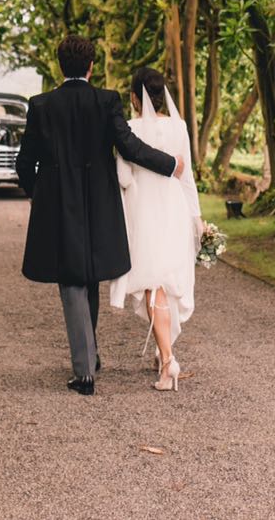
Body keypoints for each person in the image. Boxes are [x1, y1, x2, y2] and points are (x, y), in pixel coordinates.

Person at [16, 35, 184, 396]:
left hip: (59, 204)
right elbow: (130, 146)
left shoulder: (42, 105)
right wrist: (169, 164)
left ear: (61, 66)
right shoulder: (106, 101)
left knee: (74, 280)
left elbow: (24, 162)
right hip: (99, 204)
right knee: (83, 277)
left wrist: (38, 195)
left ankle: (85, 371)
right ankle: (87, 358)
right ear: (91, 67)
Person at [110, 67, 201, 392]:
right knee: (166, 282)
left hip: (144, 209)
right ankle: (166, 352)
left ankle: (167, 361)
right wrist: (196, 217)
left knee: (153, 285)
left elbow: (123, 177)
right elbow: (187, 175)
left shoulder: (130, 128)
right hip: (174, 208)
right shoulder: (180, 126)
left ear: (135, 97)